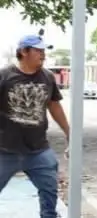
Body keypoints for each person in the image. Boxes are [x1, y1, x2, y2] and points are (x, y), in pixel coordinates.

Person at [0, 35, 71, 218]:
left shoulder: (47, 77)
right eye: (38, 51)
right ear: (24, 52)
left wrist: (69, 132)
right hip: (5, 150)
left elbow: (54, 105)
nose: (43, 55)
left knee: (49, 190)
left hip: (38, 150)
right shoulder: (5, 76)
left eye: (44, 51)